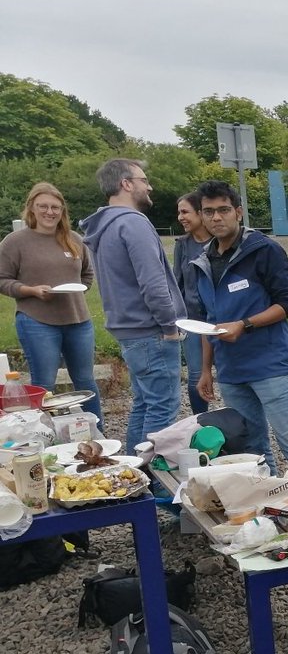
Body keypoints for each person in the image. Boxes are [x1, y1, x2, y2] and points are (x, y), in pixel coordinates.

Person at [190, 180, 288, 487]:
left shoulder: (263, 250)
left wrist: (245, 324)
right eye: (208, 211)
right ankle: (270, 501)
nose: (216, 217)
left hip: (268, 364)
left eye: (223, 210)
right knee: (252, 447)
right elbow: (208, 320)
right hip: (231, 371)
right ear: (202, 215)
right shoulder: (203, 261)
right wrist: (206, 370)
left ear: (238, 212)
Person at [80, 160, 186, 450]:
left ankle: (134, 470)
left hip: (128, 330)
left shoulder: (104, 225)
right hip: (151, 331)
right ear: (126, 184)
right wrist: (169, 327)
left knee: (144, 404)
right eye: (144, 180)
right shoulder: (133, 223)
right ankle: (151, 475)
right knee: (162, 408)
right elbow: (153, 283)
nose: (149, 186)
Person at [0, 183, 104, 427]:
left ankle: (97, 431)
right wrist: (30, 291)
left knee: (86, 381)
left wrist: (78, 289)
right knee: (44, 384)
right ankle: (43, 435)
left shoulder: (73, 239)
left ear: (62, 210)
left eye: (55, 207)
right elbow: (3, 279)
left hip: (78, 321)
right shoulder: (15, 242)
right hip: (37, 321)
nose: (50, 212)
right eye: (43, 206)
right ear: (32, 208)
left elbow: (87, 274)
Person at [173, 192, 211, 415]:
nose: (181, 217)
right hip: (193, 321)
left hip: (222, 320)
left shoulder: (219, 241)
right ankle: (200, 421)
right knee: (196, 376)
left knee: (232, 375)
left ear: (200, 212)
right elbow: (176, 283)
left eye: (185, 212)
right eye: (179, 212)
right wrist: (177, 319)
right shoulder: (182, 245)